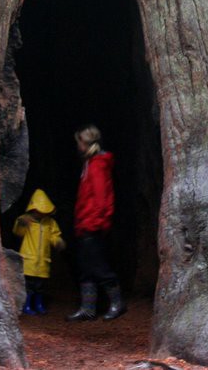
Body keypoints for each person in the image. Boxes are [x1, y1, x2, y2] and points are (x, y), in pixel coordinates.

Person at [66, 124, 126, 321]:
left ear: (87, 144)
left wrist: (98, 222)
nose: (78, 146)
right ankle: (88, 308)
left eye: (80, 143)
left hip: (93, 226)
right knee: (85, 267)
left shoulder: (98, 165)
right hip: (85, 225)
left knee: (100, 267)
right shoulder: (89, 163)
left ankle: (118, 303)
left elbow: (102, 198)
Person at [13, 188, 65, 315]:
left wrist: (57, 241)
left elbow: (54, 235)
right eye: (39, 211)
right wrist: (21, 224)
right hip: (29, 261)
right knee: (28, 286)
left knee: (40, 286)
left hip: (43, 261)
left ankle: (39, 304)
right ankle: (27, 305)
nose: (41, 214)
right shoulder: (25, 219)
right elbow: (18, 232)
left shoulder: (50, 223)